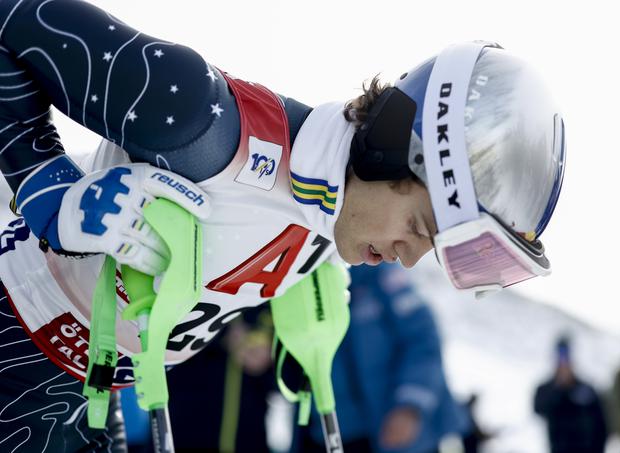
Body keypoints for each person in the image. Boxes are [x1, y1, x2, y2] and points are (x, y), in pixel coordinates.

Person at [0, 0, 566, 450]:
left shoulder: (327, 228)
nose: (411, 257)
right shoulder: (206, 126)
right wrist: (42, 179)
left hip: (83, 402)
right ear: (389, 146)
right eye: (420, 225)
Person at [294, 263, 469, 453]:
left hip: (396, 427)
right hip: (333, 430)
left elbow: (423, 341)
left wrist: (410, 404)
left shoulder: (382, 274)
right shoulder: (296, 281)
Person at [166, 304, 276, 452]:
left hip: (249, 436)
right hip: (183, 425)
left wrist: (271, 360)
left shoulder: (282, 289)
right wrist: (220, 335)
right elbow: (155, 334)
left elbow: (297, 385)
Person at [533, 335, 609, 453]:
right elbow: (538, 409)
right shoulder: (547, 389)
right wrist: (558, 388)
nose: (564, 364)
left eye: (566, 358)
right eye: (560, 358)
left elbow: (602, 422)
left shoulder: (586, 389)